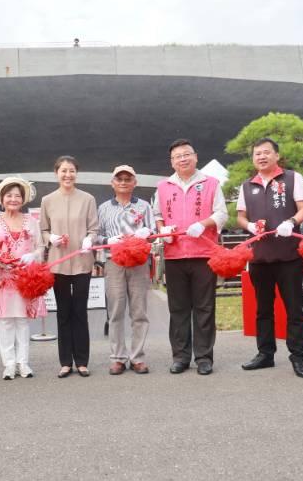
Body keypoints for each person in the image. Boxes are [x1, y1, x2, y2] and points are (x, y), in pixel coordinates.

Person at [237, 137, 303, 377]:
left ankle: (298, 357)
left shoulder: (292, 178)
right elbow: (240, 216)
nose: (261, 156)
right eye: (257, 153)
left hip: (289, 255)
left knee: (294, 308)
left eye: (266, 152)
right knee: (263, 309)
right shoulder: (247, 185)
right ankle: (265, 354)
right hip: (260, 257)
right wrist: (248, 226)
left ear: (276, 156)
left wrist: (291, 222)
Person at [154, 140, 228, 375]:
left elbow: (222, 214)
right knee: (178, 308)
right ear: (172, 161)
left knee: (204, 307)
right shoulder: (163, 186)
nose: (182, 159)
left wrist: (203, 224)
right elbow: (157, 214)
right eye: (177, 156)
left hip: (204, 254)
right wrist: (162, 230)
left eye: (187, 154)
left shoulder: (211, 183)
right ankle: (180, 356)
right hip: (175, 255)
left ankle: (204, 357)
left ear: (196, 157)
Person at [39, 156, 99, 378]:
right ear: (56, 173)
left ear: (76, 173)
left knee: (80, 312)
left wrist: (89, 240)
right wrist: (51, 238)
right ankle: (65, 362)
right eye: (63, 171)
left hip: (82, 262)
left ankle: (82, 361)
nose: (68, 175)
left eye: (71, 171)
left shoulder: (88, 199)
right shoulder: (47, 200)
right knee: (63, 312)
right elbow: (43, 229)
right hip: (59, 263)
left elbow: (94, 228)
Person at [98, 165, 156, 375]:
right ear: (112, 183)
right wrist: (107, 240)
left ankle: (137, 357)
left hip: (139, 263)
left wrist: (146, 232)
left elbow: (153, 231)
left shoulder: (144, 206)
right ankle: (118, 357)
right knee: (115, 311)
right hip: (114, 263)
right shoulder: (104, 208)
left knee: (139, 311)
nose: (123, 182)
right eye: (119, 179)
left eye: (127, 179)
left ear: (134, 182)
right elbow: (97, 235)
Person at [0, 177, 46, 380]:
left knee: (22, 321)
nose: (13, 199)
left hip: (25, 279)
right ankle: (9, 364)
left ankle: (23, 363)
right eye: (9, 195)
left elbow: (40, 247)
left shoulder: (31, 221)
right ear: (2, 199)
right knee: (5, 322)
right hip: (3, 279)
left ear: (23, 199)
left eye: (17, 196)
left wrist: (33, 257)